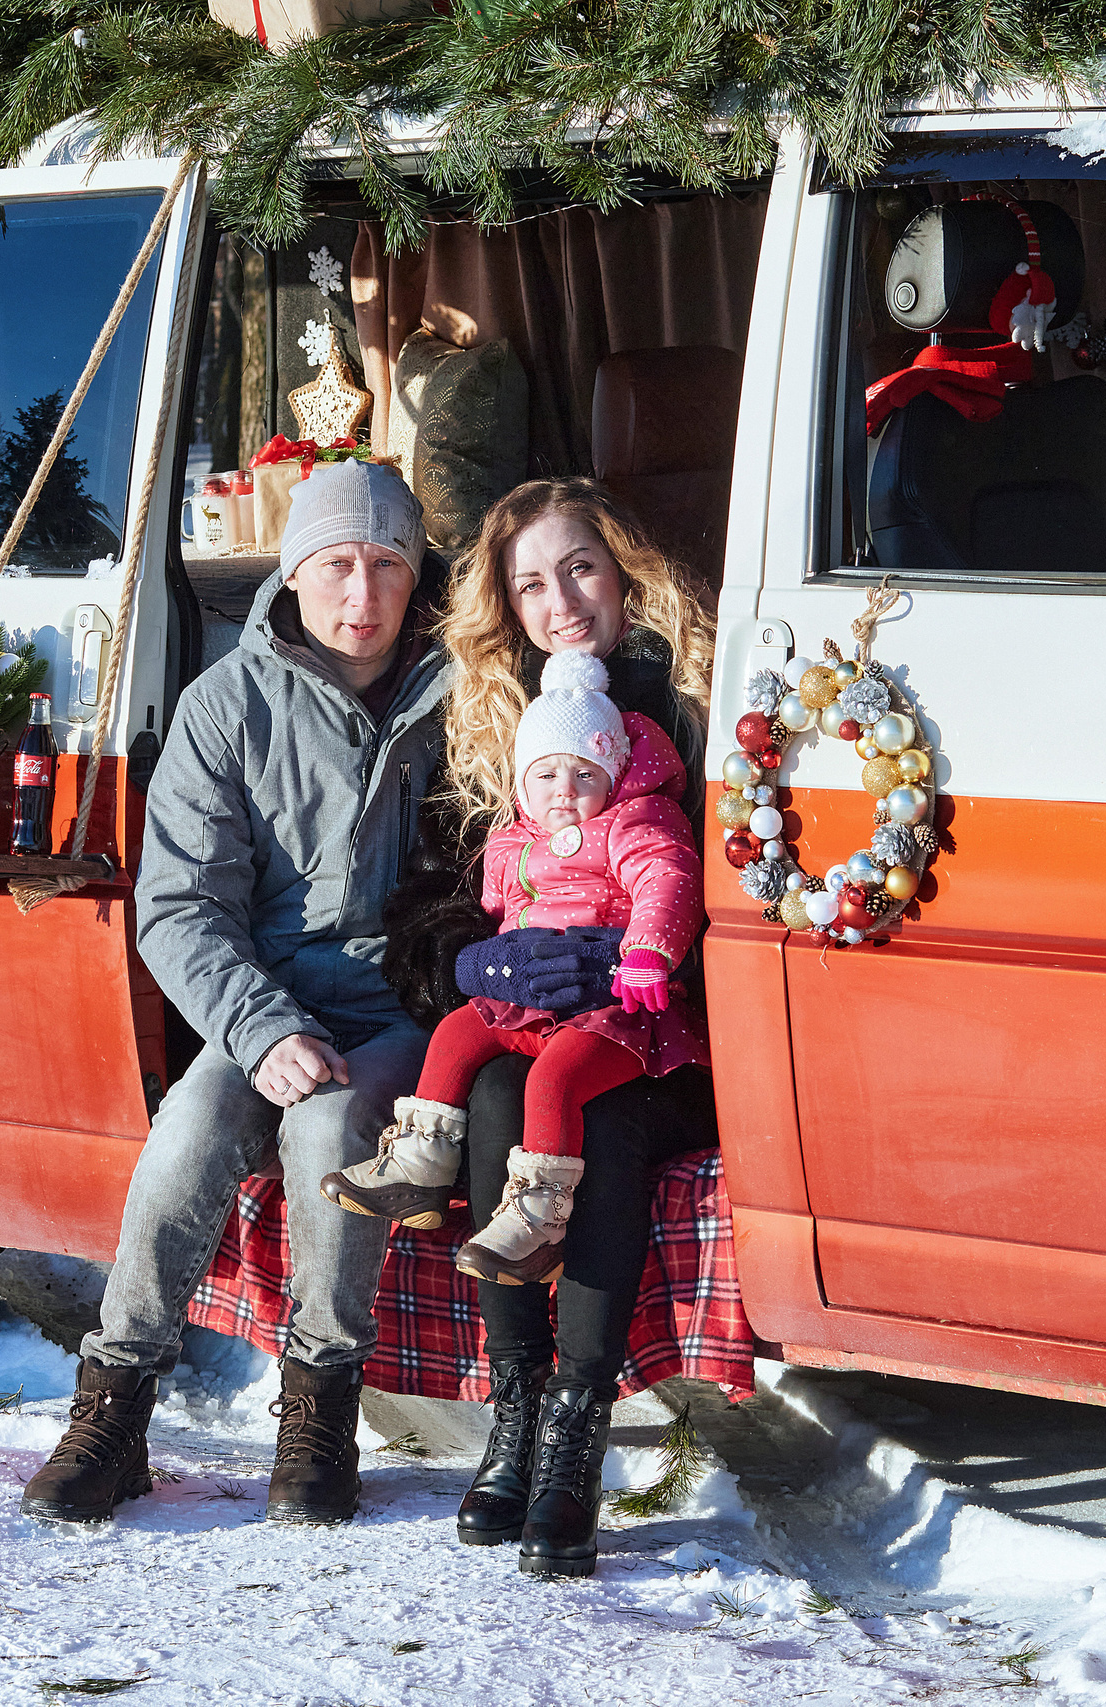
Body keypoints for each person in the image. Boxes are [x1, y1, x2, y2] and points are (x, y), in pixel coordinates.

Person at [20, 459, 446, 1529]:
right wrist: (259, 1028)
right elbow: (177, 905)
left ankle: (319, 1414)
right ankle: (112, 1412)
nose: (363, 593)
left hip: (401, 1005)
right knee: (189, 1128)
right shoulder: (229, 704)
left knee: (332, 1129)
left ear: (416, 574)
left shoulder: (466, 692)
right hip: (263, 998)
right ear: (295, 573)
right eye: (338, 563)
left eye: (387, 564)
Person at [378, 478, 718, 1579]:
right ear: (505, 606)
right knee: (485, 1097)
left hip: (666, 1029)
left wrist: (643, 968)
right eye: (529, 583)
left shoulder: (697, 695)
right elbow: (433, 896)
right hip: (530, 1016)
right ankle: (515, 1410)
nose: (559, 601)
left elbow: (719, 878)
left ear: (623, 568)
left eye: (577, 567)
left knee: (598, 1123)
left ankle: (575, 1431)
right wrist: (465, 955)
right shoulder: (489, 718)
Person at [319, 649, 707, 1287]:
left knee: (552, 1081)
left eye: (584, 775)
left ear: (611, 779)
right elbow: (495, 910)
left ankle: (539, 1218)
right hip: (534, 997)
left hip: (612, 1007)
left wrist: (646, 953)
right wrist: (489, 959)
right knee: (456, 1035)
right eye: (547, 775)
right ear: (523, 785)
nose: (565, 792)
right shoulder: (510, 842)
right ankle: (421, 1165)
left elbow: (667, 879)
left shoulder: (631, 825)